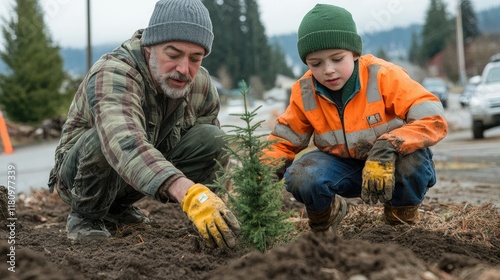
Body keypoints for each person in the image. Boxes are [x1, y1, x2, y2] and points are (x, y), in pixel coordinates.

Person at [47, 0, 240, 249]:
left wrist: (211, 206)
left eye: (196, 58)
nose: (184, 69)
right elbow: (123, 141)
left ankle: (116, 209)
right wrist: (183, 189)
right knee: (104, 139)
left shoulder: (200, 85)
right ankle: (86, 217)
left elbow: (210, 156)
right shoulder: (114, 72)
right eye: (173, 54)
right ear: (149, 47)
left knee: (213, 138)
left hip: (136, 177)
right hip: (80, 176)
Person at [262, 4, 448, 233]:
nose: (328, 70)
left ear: (355, 53)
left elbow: (434, 117)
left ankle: (400, 221)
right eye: (316, 64)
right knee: (301, 176)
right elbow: (283, 141)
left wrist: (389, 146)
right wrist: (260, 177)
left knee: (413, 162)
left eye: (337, 59)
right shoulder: (305, 92)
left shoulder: (383, 75)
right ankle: (326, 216)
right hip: (343, 168)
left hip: (390, 164)